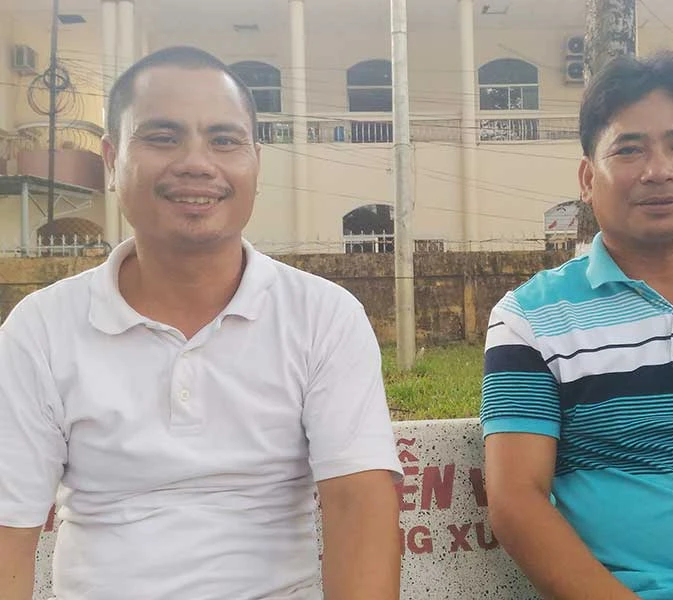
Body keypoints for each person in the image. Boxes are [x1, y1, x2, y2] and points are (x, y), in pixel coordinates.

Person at [0, 46, 402, 600]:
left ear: (255, 162)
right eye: (163, 137)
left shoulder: (323, 316)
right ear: (111, 159)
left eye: (224, 140)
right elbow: (8, 527)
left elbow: (359, 504)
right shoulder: (41, 330)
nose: (197, 162)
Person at [481, 51, 673, 600]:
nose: (659, 171)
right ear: (588, 178)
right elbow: (516, 499)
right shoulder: (530, 318)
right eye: (629, 149)